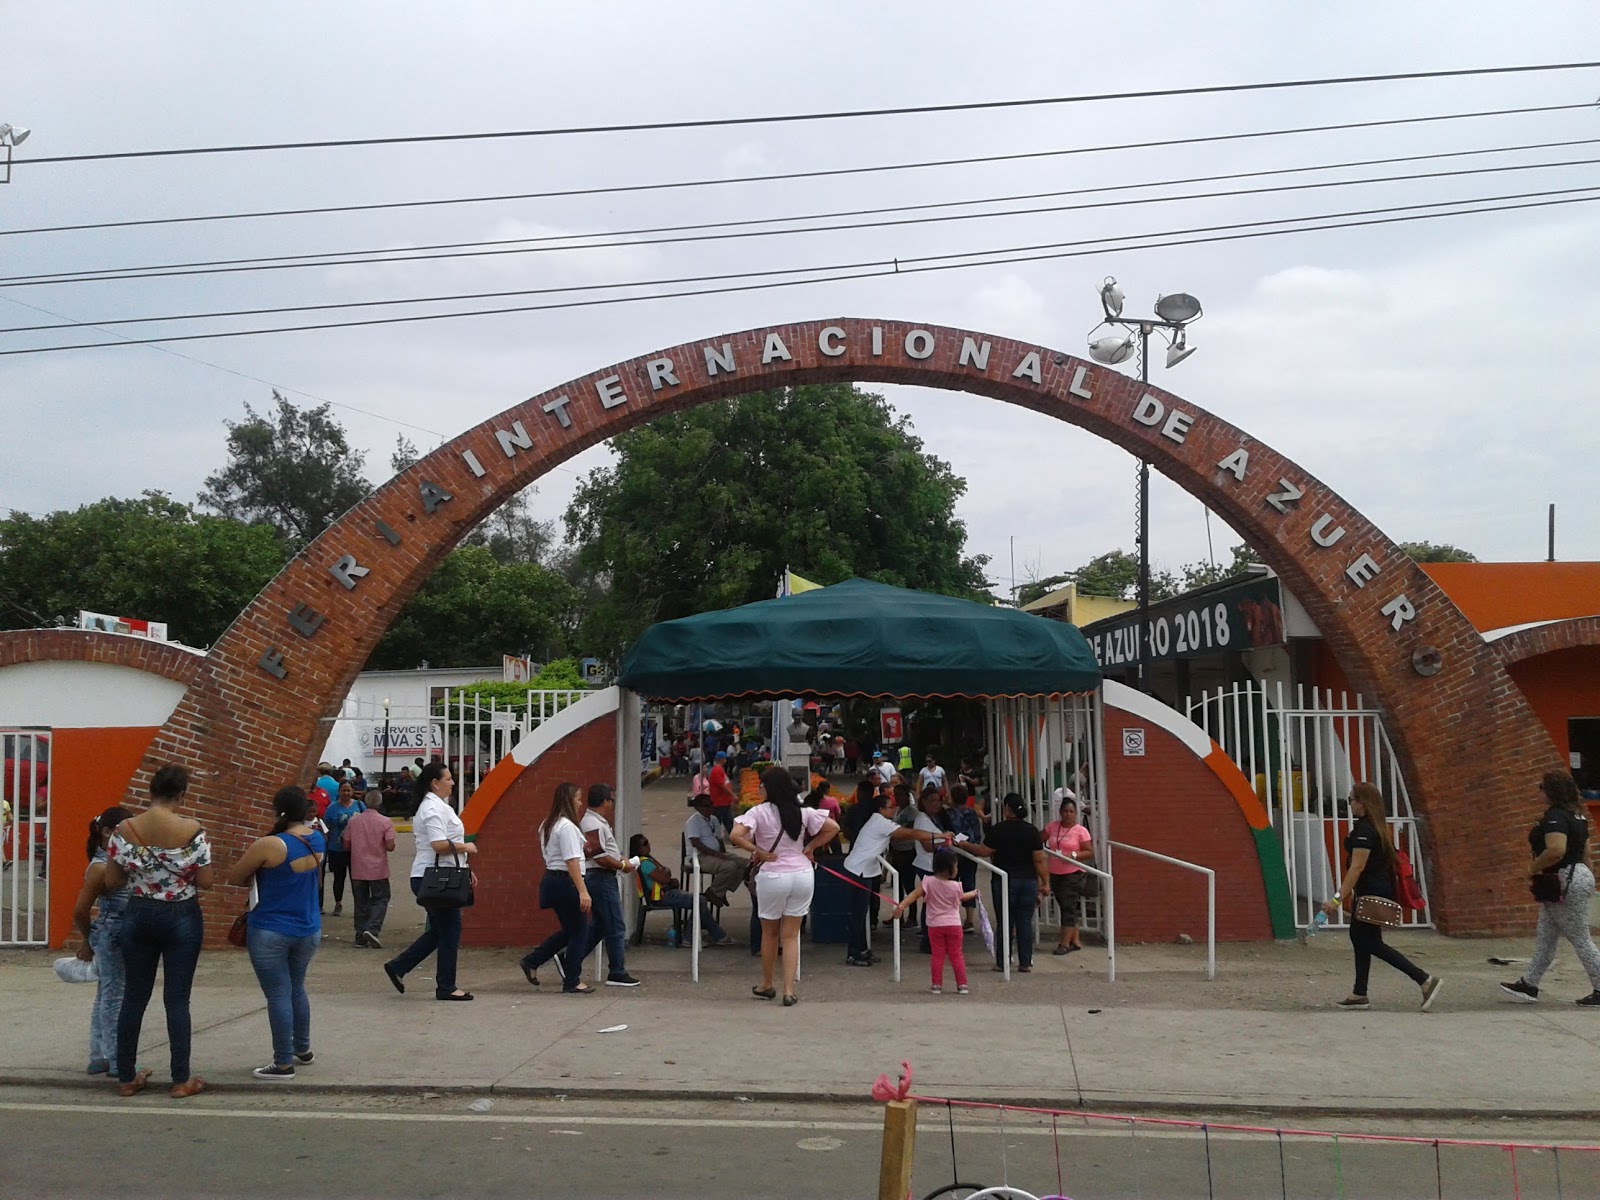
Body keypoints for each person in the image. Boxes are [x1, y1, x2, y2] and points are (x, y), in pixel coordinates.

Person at [103, 763, 213, 1098]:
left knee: (134, 997)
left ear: (150, 791)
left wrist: (143, 873)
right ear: (182, 794)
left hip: (138, 913)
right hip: (182, 915)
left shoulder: (124, 829)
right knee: (177, 999)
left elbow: (112, 880)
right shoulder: (193, 830)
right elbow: (206, 881)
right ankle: (181, 1080)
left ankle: (126, 1077)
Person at [228, 787, 325, 1081]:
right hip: (308, 927)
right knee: (297, 987)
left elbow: (235, 876)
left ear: (278, 810)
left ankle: (282, 1063)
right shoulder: (317, 839)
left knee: (278, 994)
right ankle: (302, 1047)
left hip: (271, 928)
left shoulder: (269, 844)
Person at [1320, 783, 1441, 1011]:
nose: (1350, 804)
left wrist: (1336, 899)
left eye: (1351, 800)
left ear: (1362, 803)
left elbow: (1357, 867)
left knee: (1369, 942)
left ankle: (1424, 979)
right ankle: (1359, 993)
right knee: (1360, 938)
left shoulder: (1364, 832)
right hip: (1373, 892)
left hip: (1371, 894)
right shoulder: (1377, 828)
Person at [730, 766, 838, 1005]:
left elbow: (735, 835)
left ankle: (767, 984)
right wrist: (810, 847)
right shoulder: (803, 811)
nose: (760, 788)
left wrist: (758, 851)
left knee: (770, 934)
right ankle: (789, 991)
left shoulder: (758, 812)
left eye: (762, 784)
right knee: (791, 936)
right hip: (802, 874)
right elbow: (833, 828)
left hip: (773, 876)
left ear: (770, 788)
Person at [1500, 771, 1600, 1006]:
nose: (1539, 791)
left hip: (1563, 878)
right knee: (1546, 935)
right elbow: (1586, 853)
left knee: (1580, 938)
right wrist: (1591, 881)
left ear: (1552, 790)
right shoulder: (1578, 817)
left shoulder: (1555, 817)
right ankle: (1529, 983)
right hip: (1576, 875)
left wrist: (1531, 868)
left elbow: (1556, 850)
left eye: (1542, 787)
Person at [383, 762, 475, 1002]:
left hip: (437, 875)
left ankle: (399, 966)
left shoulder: (436, 806)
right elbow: (439, 845)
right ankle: (446, 986)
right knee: (450, 931)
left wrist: (465, 866)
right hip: (436, 878)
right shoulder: (433, 808)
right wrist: (467, 847)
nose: (452, 783)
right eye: (448, 779)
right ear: (435, 783)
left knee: (439, 931)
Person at [71, 805, 134, 1077]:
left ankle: (99, 1055)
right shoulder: (100, 867)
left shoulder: (111, 861)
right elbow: (80, 911)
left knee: (106, 994)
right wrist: (88, 941)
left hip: (111, 932)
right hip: (113, 933)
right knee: (115, 997)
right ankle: (118, 1061)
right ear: (107, 832)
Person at [519, 782, 595, 994]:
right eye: (578, 799)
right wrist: (583, 891)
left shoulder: (548, 824)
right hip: (567, 881)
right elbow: (571, 861)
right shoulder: (567, 826)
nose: (580, 803)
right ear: (569, 800)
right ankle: (572, 980)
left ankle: (533, 960)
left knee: (570, 930)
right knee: (580, 931)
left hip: (552, 880)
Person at [963, 793, 1047, 973]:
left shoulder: (998, 830)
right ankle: (1025, 961)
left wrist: (963, 844)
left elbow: (983, 851)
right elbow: (1039, 859)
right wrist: (1045, 882)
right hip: (1028, 881)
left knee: (1005, 921)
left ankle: (1003, 961)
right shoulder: (1032, 831)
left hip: (1004, 881)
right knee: (1025, 921)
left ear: (1007, 809)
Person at [839, 786, 919, 966]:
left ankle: (862, 949)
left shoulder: (877, 820)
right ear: (881, 809)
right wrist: (935, 835)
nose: (893, 809)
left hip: (864, 870)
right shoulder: (880, 822)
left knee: (862, 914)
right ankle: (854, 953)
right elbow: (909, 833)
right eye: (890, 807)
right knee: (857, 915)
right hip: (858, 871)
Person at [578, 783, 641, 987]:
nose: (612, 804)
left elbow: (607, 852)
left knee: (601, 926)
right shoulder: (592, 823)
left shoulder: (597, 822)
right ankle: (617, 971)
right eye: (611, 800)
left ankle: (571, 957)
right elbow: (599, 856)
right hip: (600, 878)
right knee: (615, 924)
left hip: (603, 876)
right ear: (605, 801)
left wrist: (622, 861)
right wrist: (622, 865)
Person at [893, 849, 978, 994]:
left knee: (937, 955)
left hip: (934, 925)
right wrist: (974, 893)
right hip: (953, 925)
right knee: (956, 954)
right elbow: (962, 897)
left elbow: (914, 894)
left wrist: (901, 906)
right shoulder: (956, 886)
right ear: (950, 869)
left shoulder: (928, 881)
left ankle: (936, 984)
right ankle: (962, 984)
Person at [629, 833, 735, 946]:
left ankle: (715, 935)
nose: (648, 845)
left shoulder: (648, 860)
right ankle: (693, 937)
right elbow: (665, 877)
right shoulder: (645, 863)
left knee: (700, 901)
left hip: (665, 893)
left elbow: (666, 873)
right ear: (638, 849)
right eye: (645, 844)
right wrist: (667, 876)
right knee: (699, 901)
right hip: (662, 896)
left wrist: (666, 874)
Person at [346, 788, 396, 949]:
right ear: (380, 803)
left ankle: (360, 936)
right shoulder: (385, 822)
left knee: (360, 902)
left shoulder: (353, 821)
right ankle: (372, 928)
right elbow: (390, 846)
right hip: (378, 868)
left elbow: (346, 843)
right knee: (381, 898)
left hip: (358, 868)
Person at [1043, 794, 1093, 954]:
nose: (1068, 814)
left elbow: (1089, 852)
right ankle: (1075, 940)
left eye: (1071, 811)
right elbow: (1039, 839)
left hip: (1073, 873)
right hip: (1055, 872)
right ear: (1060, 812)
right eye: (1065, 811)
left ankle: (1064, 944)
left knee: (1068, 908)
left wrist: (1073, 855)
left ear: (1076, 813)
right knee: (1065, 905)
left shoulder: (1081, 831)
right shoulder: (1053, 826)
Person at [684, 793, 747, 904]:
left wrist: (724, 853)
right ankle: (715, 892)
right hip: (700, 856)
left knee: (745, 863)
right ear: (698, 807)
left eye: (711, 804)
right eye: (706, 805)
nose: (710, 808)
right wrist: (716, 854)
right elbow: (696, 843)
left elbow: (719, 838)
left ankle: (720, 891)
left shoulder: (714, 819)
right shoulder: (693, 821)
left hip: (715, 853)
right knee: (729, 866)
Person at [322, 780, 365, 918]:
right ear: (339, 791)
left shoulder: (359, 805)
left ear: (352, 791)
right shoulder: (332, 808)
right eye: (343, 790)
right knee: (338, 878)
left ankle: (359, 906)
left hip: (355, 849)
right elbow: (326, 827)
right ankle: (338, 903)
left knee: (356, 879)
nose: (346, 793)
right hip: (336, 849)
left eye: (348, 790)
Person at [946, 783, 984, 933]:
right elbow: (977, 833)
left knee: (951, 885)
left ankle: (951, 916)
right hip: (969, 851)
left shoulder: (948, 814)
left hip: (952, 853)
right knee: (969, 884)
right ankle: (969, 920)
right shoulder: (972, 813)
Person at [708, 751, 736, 832]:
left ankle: (733, 837)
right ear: (722, 759)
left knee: (728, 823)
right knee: (717, 823)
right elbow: (723, 785)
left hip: (724, 802)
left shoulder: (719, 769)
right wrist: (733, 795)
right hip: (719, 802)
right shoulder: (717, 770)